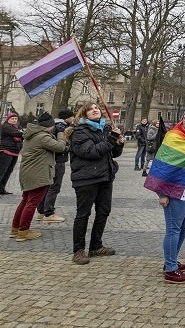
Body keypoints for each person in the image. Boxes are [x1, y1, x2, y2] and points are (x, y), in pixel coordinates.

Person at [144, 107, 185, 283]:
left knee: (183, 228)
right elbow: (162, 165)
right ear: (182, 119)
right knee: (173, 229)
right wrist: (161, 194)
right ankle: (171, 269)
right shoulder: (173, 136)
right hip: (174, 192)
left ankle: (171, 260)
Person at [69, 102, 124, 264]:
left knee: (103, 211)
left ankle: (95, 246)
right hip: (86, 179)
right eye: (90, 109)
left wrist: (118, 143)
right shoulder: (79, 132)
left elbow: (111, 152)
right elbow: (90, 152)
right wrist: (111, 138)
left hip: (105, 176)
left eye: (97, 108)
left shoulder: (104, 129)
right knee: (83, 214)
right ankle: (78, 250)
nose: (95, 110)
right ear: (84, 114)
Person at [10, 112, 66, 241]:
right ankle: (24, 231)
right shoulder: (42, 137)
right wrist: (61, 134)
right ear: (49, 126)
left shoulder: (32, 134)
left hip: (28, 172)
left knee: (25, 201)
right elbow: (60, 147)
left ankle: (15, 229)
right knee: (32, 203)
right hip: (38, 174)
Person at [36, 109, 74, 223]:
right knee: (54, 187)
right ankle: (49, 212)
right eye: (72, 117)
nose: (73, 119)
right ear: (67, 117)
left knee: (48, 186)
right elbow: (59, 145)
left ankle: (42, 211)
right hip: (58, 160)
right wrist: (69, 148)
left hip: (51, 160)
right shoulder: (61, 127)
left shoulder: (55, 125)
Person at [0, 112, 23, 199]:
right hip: (5, 151)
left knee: (8, 171)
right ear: (8, 119)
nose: (14, 120)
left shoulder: (17, 127)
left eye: (16, 119)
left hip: (14, 151)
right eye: (12, 119)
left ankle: (1, 189)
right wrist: (25, 133)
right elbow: (19, 134)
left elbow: (21, 135)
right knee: (1, 172)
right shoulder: (6, 127)